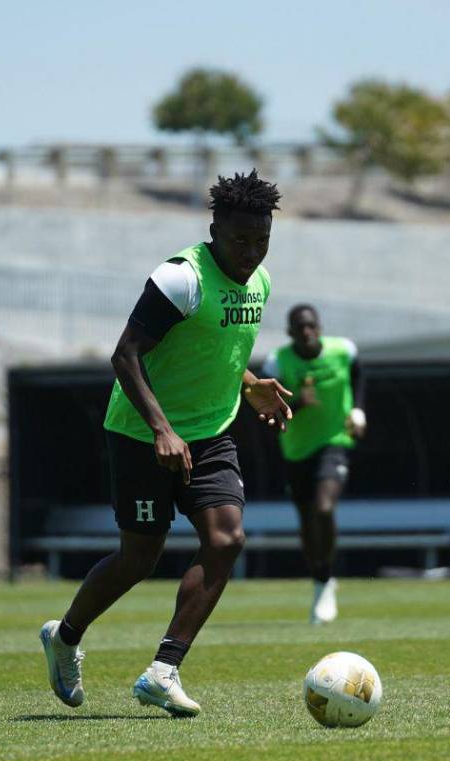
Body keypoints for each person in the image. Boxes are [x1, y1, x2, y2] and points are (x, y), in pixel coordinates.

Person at [40, 171, 292, 717]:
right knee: (139, 558)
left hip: (210, 434)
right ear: (214, 228)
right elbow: (125, 355)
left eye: (261, 240)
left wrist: (251, 386)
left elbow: (215, 348)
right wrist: (161, 429)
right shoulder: (181, 278)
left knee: (226, 540)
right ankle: (65, 636)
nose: (250, 252)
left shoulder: (261, 283)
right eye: (239, 240)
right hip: (139, 432)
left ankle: (163, 670)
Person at [264, 304, 366, 623]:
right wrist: (297, 403)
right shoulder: (277, 362)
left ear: (319, 327)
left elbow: (359, 377)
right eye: (299, 327)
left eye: (311, 326)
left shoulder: (343, 351)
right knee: (308, 521)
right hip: (296, 450)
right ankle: (320, 580)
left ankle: (326, 579)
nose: (307, 332)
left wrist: (358, 412)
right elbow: (267, 409)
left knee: (324, 508)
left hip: (334, 441)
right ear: (290, 333)